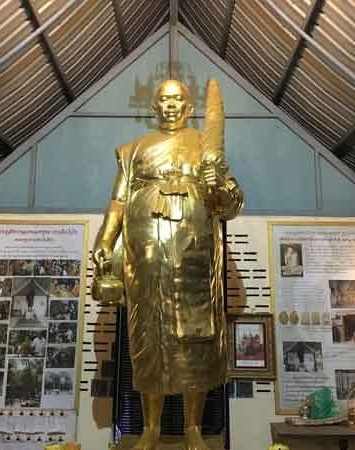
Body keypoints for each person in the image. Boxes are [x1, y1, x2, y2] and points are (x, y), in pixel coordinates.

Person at [92, 79, 243, 450]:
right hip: (144, 256)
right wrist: (104, 241)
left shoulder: (205, 148)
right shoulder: (133, 150)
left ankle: (193, 427)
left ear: (189, 107)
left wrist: (219, 185)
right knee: (149, 337)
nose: (171, 105)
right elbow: (117, 203)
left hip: (195, 253)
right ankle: (150, 428)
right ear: (154, 107)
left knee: (195, 339)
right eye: (164, 99)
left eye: (178, 99)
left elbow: (232, 205)